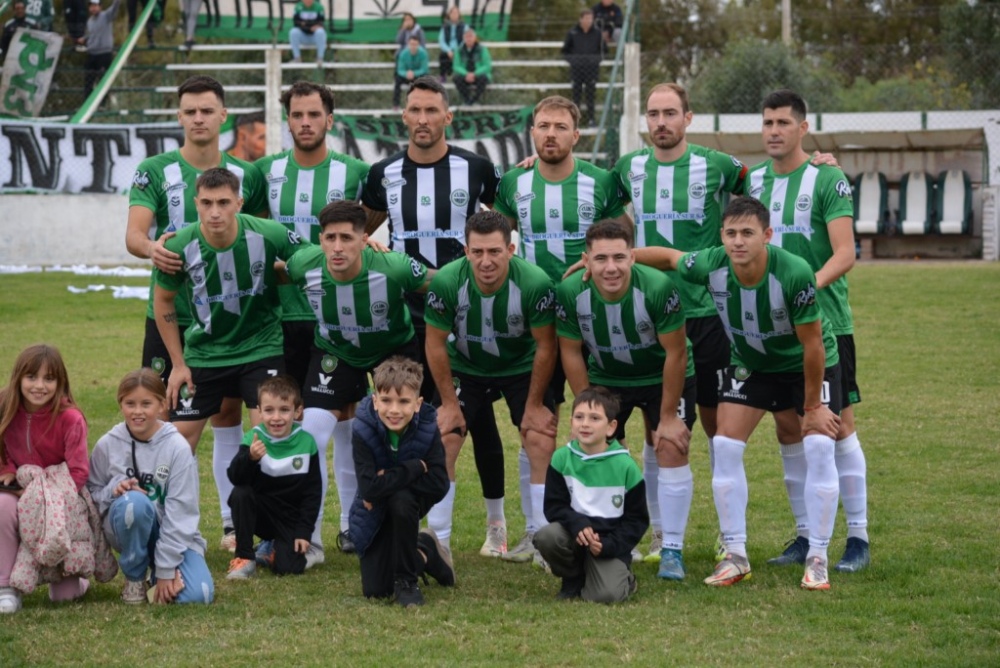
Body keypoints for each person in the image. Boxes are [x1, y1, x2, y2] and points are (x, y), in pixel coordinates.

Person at [634, 196, 844, 591]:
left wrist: (813, 407)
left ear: (767, 235)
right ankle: (735, 555)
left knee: (818, 447)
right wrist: (619, 257)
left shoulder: (794, 273)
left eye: (747, 233)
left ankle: (818, 557)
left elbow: (813, 345)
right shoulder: (713, 263)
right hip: (752, 365)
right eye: (730, 233)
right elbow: (669, 258)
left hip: (805, 366)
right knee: (726, 445)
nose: (738, 242)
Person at [361, 76, 511, 560]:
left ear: (449, 117)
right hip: (404, 316)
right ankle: (397, 523)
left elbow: (507, 220)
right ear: (403, 117)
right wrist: (370, 242)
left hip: (464, 311)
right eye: (414, 111)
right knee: (399, 415)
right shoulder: (382, 173)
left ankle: (496, 524)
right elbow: (358, 230)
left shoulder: (477, 169)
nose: (422, 120)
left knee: (474, 418)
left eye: (432, 111)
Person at [126, 75, 266, 552]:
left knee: (228, 413)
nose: (199, 118)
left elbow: (262, 234)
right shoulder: (155, 170)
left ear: (223, 115)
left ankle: (232, 524)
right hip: (171, 315)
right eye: (190, 111)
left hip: (229, 317)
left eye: (208, 110)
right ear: (180, 116)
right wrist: (151, 249)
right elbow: (134, 235)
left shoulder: (249, 175)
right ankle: (150, 517)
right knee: (164, 418)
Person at [611, 83, 746, 562]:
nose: (661, 122)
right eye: (653, 114)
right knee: (656, 423)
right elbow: (593, 194)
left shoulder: (718, 165)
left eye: (670, 113)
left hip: (708, 314)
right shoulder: (629, 168)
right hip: (648, 311)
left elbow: (761, 187)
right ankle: (659, 535)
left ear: (689, 117)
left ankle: (729, 533)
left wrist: (820, 160)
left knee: (715, 426)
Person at [495, 95, 628, 566]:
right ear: (531, 132)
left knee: (613, 423)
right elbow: (499, 238)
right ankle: (537, 533)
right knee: (537, 425)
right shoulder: (513, 182)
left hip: (594, 314)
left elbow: (623, 239)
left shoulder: (601, 182)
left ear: (577, 134)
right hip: (537, 321)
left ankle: (628, 531)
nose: (550, 134)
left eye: (560, 127)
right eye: (542, 126)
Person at [745, 89, 870, 573]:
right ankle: (803, 534)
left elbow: (845, 253)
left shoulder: (827, 177)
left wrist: (801, 288)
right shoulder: (751, 181)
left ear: (803, 126)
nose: (773, 130)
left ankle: (857, 538)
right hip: (771, 330)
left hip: (827, 324)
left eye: (782, 122)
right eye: (767, 122)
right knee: (789, 427)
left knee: (839, 428)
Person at [151, 169, 304, 551]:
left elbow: (309, 257)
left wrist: (283, 272)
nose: (215, 212)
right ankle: (167, 530)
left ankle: (271, 532)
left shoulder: (268, 233)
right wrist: (179, 364)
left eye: (223, 203)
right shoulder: (179, 245)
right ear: (195, 204)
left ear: (239, 202)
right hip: (204, 353)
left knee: (268, 436)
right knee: (176, 442)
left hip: (261, 347)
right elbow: (163, 301)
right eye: (206, 203)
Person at [255, 81, 372, 560]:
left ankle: (345, 527)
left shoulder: (357, 172)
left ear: (330, 119)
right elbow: (252, 225)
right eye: (297, 115)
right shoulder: (265, 171)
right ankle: (295, 530)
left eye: (314, 114)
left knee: (338, 417)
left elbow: (372, 229)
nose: (305, 122)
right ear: (288, 120)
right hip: (282, 315)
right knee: (284, 420)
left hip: (337, 317)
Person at [284, 200, 432, 565]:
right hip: (336, 351)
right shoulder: (304, 263)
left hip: (393, 350)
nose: (337, 247)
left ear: (365, 239)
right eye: (330, 238)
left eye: (347, 238)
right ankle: (311, 540)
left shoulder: (393, 266)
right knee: (313, 433)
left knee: (402, 439)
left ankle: (418, 533)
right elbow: (276, 271)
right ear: (320, 240)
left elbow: (438, 281)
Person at [556, 219, 695, 580]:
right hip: (606, 378)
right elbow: (570, 352)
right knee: (599, 451)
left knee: (669, 444)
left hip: (660, 373)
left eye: (619, 257)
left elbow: (676, 354)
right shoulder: (571, 291)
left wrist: (666, 417)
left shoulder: (659, 287)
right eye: (601, 259)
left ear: (633, 256)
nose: (611, 267)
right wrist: (588, 409)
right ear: (586, 260)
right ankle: (616, 540)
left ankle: (671, 548)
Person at [423, 210, 558, 566]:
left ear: (510, 249)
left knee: (539, 436)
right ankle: (439, 544)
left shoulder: (535, 283)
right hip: (466, 367)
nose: (486, 261)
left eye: (494, 252)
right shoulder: (447, 282)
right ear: (465, 251)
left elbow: (546, 345)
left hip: (521, 366)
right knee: (445, 435)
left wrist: (533, 405)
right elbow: (435, 344)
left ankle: (541, 538)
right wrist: (449, 404)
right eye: (477, 252)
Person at [87, 369, 214, 604]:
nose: (137, 411)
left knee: (199, 596)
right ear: (120, 404)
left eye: (146, 403)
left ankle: (157, 576)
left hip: (171, 535)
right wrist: (113, 489)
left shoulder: (177, 447)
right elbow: (90, 494)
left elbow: (182, 512)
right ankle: (135, 578)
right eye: (130, 403)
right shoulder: (108, 444)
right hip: (128, 525)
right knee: (133, 504)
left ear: (162, 404)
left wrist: (166, 568)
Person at [349, 356, 453, 607]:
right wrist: (414, 468)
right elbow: (369, 489)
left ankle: (407, 582)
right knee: (376, 590)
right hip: (372, 508)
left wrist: (389, 480)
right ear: (375, 401)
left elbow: (439, 483)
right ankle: (425, 552)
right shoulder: (362, 429)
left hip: (406, 504)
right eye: (386, 400)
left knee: (402, 499)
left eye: (403, 401)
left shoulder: (428, 427)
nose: (394, 410)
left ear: (417, 404)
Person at [534, 386, 647, 602]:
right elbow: (554, 506)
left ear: (611, 427)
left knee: (607, 595)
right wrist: (577, 524)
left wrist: (608, 546)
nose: (585, 424)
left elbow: (637, 520)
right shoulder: (561, 458)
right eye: (579, 417)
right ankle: (572, 577)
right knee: (547, 537)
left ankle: (625, 579)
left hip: (607, 543)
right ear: (571, 422)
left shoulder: (626, 466)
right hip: (574, 535)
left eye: (595, 418)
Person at [0, 344, 90, 614]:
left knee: (64, 597)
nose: (39, 386)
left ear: (60, 382)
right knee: (2, 506)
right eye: (31, 377)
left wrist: (44, 496)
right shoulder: (4, 406)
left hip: (58, 499)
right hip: (15, 491)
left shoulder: (70, 418)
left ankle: (76, 579)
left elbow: (79, 473)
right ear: (18, 378)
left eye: (48, 379)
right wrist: (7, 468)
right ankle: (5, 586)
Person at [225, 376, 322, 579]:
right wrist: (250, 458)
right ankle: (244, 556)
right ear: (259, 411)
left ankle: (271, 549)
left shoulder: (307, 442)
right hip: (261, 512)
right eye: (269, 410)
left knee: (288, 568)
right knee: (241, 493)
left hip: (289, 517)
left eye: (284, 410)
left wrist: (304, 532)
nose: (276, 417)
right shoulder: (253, 438)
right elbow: (235, 477)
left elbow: (312, 493)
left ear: (297, 411)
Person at [562, 10, 604, 127]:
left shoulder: (597, 33)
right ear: (581, 19)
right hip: (576, 70)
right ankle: (575, 120)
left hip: (592, 70)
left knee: (591, 95)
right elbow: (565, 52)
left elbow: (603, 51)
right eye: (586, 18)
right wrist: (574, 61)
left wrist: (595, 60)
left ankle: (591, 119)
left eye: (590, 19)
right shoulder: (572, 33)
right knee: (576, 95)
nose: (588, 21)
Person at [79, 0, 120, 99]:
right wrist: (84, 39)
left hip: (104, 54)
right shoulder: (89, 21)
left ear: (100, 7)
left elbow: (115, 7)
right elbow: (89, 35)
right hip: (92, 54)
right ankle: (86, 103)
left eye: (95, 6)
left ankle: (103, 105)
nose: (93, 8)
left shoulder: (106, 16)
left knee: (103, 81)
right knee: (88, 80)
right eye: (91, 6)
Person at [452, 28, 491, 105]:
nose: (468, 39)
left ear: (475, 38)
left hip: (478, 75)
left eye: (470, 36)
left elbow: (487, 66)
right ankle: (467, 99)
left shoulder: (482, 49)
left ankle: (475, 100)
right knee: (456, 78)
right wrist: (466, 74)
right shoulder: (459, 50)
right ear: (463, 38)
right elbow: (456, 66)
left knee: (483, 78)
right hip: (465, 76)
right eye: (466, 37)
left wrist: (474, 74)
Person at [393, 35, 429, 110]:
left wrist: (414, 73)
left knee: (426, 78)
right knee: (397, 79)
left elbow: (424, 69)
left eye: (415, 44)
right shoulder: (403, 54)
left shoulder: (423, 54)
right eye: (411, 44)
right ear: (408, 44)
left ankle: (425, 103)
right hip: (406, 76)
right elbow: (400, 69)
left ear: (418, 45)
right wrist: (406, 73)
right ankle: (396, 104)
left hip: (418, 76)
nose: (413, 46)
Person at [289, 0, 326, 64]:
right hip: (303, 35)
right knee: (293, 32)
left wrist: (307, 24)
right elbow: (296, 23)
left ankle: (320, 58)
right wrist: (309, 26)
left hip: (315, 36)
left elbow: (321, 22)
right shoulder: (298, 6)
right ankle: (297, 57)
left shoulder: (319, 7)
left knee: (321, 32)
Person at [437, 5, 465, 83]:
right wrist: (448, 50)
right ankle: (443, 76)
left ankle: (458, 75)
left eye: (456, 13)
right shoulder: (445, 26)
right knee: (442, 55)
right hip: (448, 51)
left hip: (460, 50)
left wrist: (457, 50)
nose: (454, 15)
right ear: (449, 15)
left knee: (461, 56)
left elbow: (465, 40)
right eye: (452, 13)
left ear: (459, 14)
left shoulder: (464, 26)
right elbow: (441, 41)